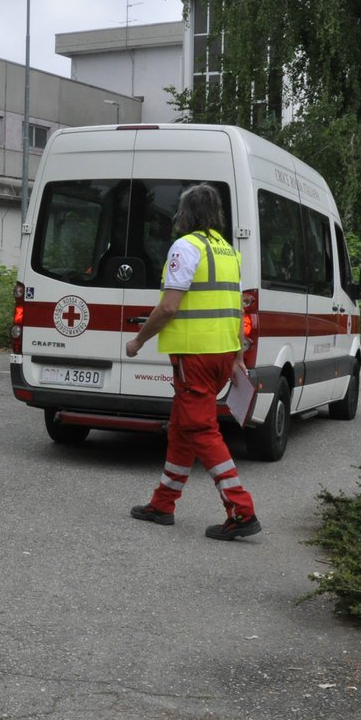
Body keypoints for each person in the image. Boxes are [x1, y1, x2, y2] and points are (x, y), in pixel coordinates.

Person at [123, 183, 261, 540]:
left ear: (184, 213)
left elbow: (170, 306)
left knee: (200, 429)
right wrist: (236, 357)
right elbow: (234, 307)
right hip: (220, 356)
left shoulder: (185, 247)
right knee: (183, 426)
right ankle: (163, 503)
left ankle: (241, 510)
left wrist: (138, 341)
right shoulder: (228, 251)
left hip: (194, 356)